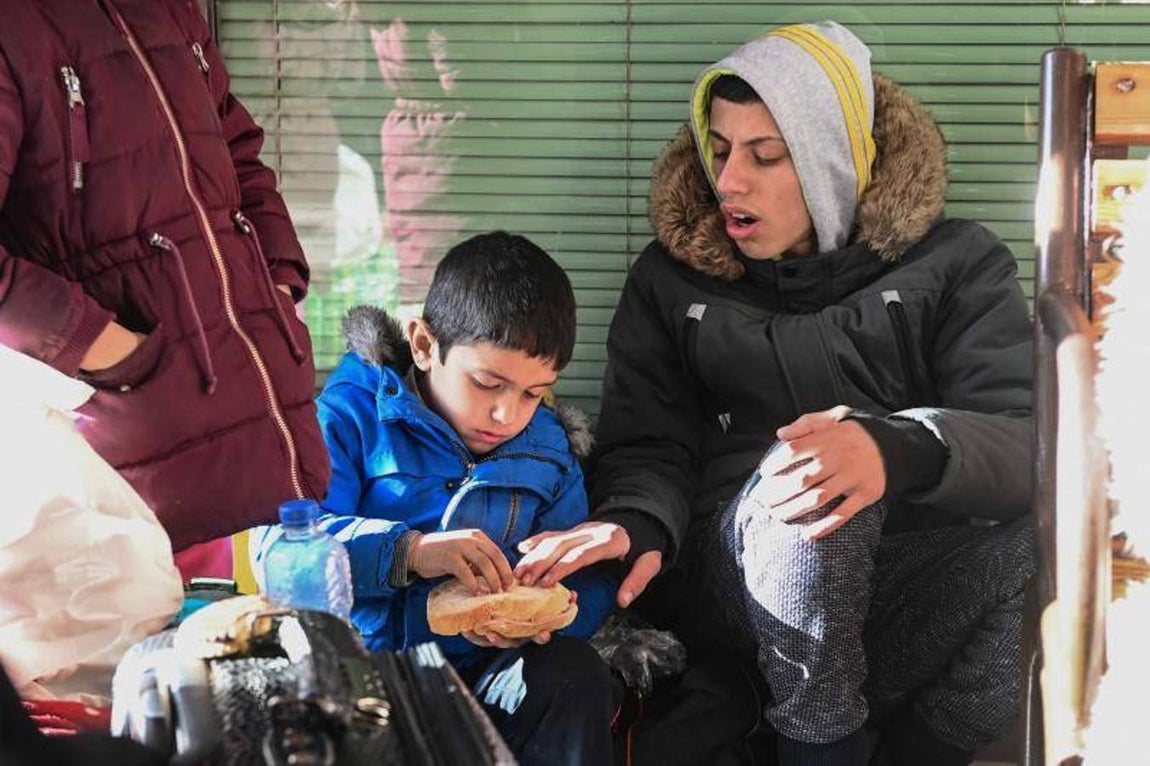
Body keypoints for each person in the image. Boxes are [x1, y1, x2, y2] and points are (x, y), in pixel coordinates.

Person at [514, 21, 1034, 766]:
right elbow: (647, 445)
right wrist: (636, 521)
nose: (729, 181)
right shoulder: (670, 282)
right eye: (720, 150)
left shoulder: (958, 264)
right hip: (738, 598)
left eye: (765, 155)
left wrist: (899, 446)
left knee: (1053, 543)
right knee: (810, 477)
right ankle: (818, 748)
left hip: (903, 585)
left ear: (835, 161)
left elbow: (1030, 444)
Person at [253, 230, 616, 765]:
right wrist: (411, 552)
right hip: (374, 668)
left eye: (533, 393)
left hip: (493, 672)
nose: (507, 415)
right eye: (488, 384)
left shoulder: (548, 448)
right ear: (424, 345)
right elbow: (281, 547)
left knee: (574, 675)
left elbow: (587, 578)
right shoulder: (350, 417)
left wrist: (542, 619)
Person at [0, 0, 330, 579]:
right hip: (119, 463)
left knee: (263, 649)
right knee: (138, 660)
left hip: (264, 434)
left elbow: (238, 156)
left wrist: (276, 282)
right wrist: (105, 347)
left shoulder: (167, 8)